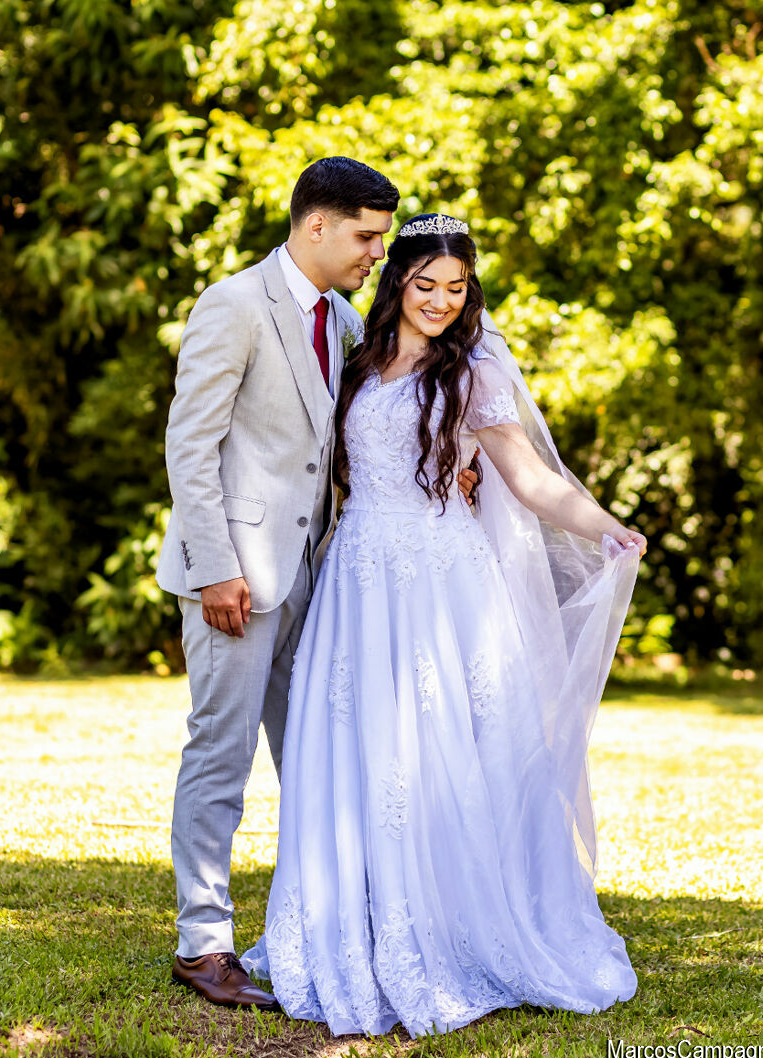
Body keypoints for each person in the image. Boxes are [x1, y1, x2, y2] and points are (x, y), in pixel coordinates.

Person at [240, 213, 646, 1036]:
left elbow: (531, 478)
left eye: (456, 289)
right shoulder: (355, 359)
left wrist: (606, 526)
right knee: (354, 746)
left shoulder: (472, 373)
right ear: (397, 283)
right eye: (425, 284)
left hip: (440, 576)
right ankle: (350, 918)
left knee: (442, 746)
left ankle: (454, 921)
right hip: (358, 576)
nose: (440, 302)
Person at [156, 160, 478, 1010]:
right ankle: (203, 943)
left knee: (320, 760)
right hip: (233, 577)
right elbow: (190, 447)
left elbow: (372, 419)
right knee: (219, 756)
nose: (378, 253)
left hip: (320, 578)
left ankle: (330, 924)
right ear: (316, 227)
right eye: (369, 237)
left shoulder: (340, 319)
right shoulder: (232, 305)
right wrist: (216, 567)